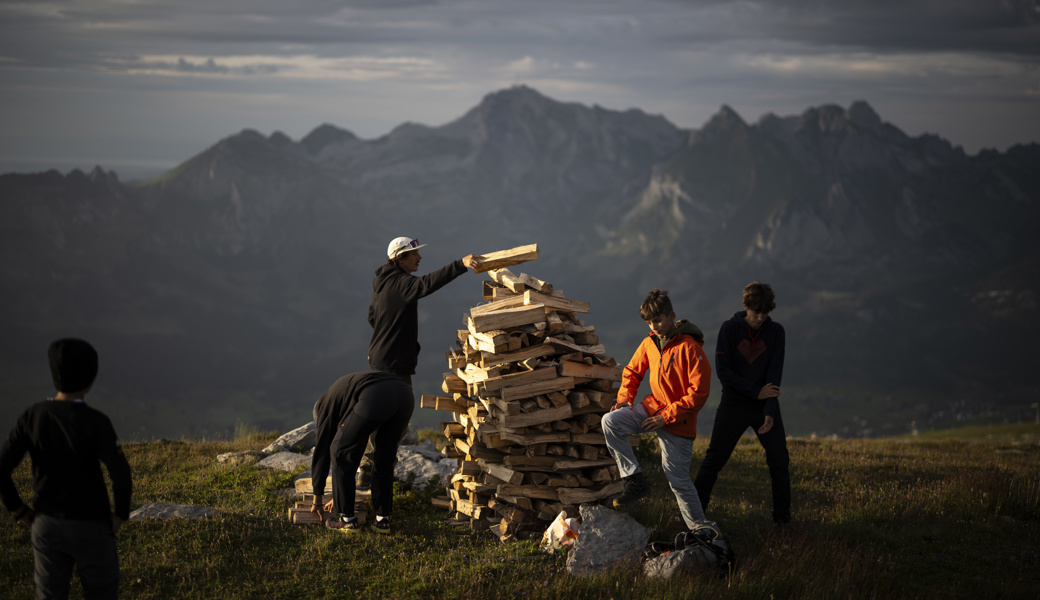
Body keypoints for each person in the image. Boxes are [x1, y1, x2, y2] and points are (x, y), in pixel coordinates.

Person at [0, 338, 132, 600]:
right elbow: (120, 474)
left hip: (47, 524)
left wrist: (19, 509)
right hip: (92, 525)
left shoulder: (33, 416)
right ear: (90, 378)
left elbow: (1, 468)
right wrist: (120, 514)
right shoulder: (96, 422)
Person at [356, 237, 482, 487]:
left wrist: (389, 335)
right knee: (399, 416)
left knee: (383, 415)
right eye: (414, 254)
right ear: (399, 258)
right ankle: (374, 470)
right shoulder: (401, 284)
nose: (419, 258)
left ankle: (369, 470)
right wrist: (460, 264)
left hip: (381, 359)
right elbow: (426, 284)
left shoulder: (382, 283)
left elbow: (372, 316)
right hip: (394, 365)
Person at [601, 289, 712, 529]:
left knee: (678, 481)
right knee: (610, 420)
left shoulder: (690, 347)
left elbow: (699, 393)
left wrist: (666, 417)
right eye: (649, 323)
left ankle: (702, 530)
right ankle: (634, 480)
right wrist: (623, 399)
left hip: (677, 421)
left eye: (658, 320)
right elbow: (632, 371)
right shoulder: (649, 342)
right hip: (651, 409)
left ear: (672, 316)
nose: (654, 326)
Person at [694, 281, 790, 525]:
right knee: (713, 461)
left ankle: (782, 522)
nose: (759, 317)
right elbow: (723, 373)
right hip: (733, 404)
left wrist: (769, 409)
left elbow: (774, 374)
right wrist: (755, 391)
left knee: (780, 462)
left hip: (765, 405)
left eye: (764, 313)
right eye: (755, 312)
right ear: (746, 306)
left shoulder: (776, 332)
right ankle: (693, 516)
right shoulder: (729, 329)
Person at [309, 370, 414, 534]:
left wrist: (317, 499)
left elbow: (323, 451)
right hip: (404, 395)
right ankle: (382, 520)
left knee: (339, 451)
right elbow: (357, 442)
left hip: (375, 397)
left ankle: (346, 520)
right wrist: (338, 494)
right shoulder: (343, 396)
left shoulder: (325, 407)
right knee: (384, 457)